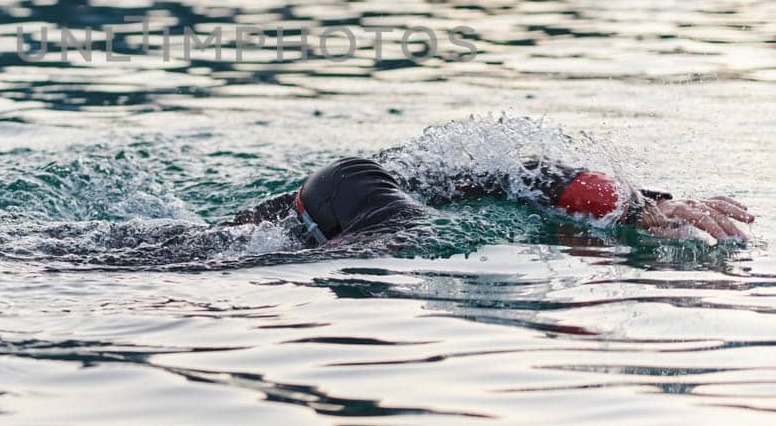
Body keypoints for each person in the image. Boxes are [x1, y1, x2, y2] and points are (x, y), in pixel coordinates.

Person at [227, 152, 754, 247]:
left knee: (415, 233)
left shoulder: (408, 189)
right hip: (328, 202)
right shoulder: (208, 247)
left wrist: (637, 206)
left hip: (348, 186)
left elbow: (518, 172)